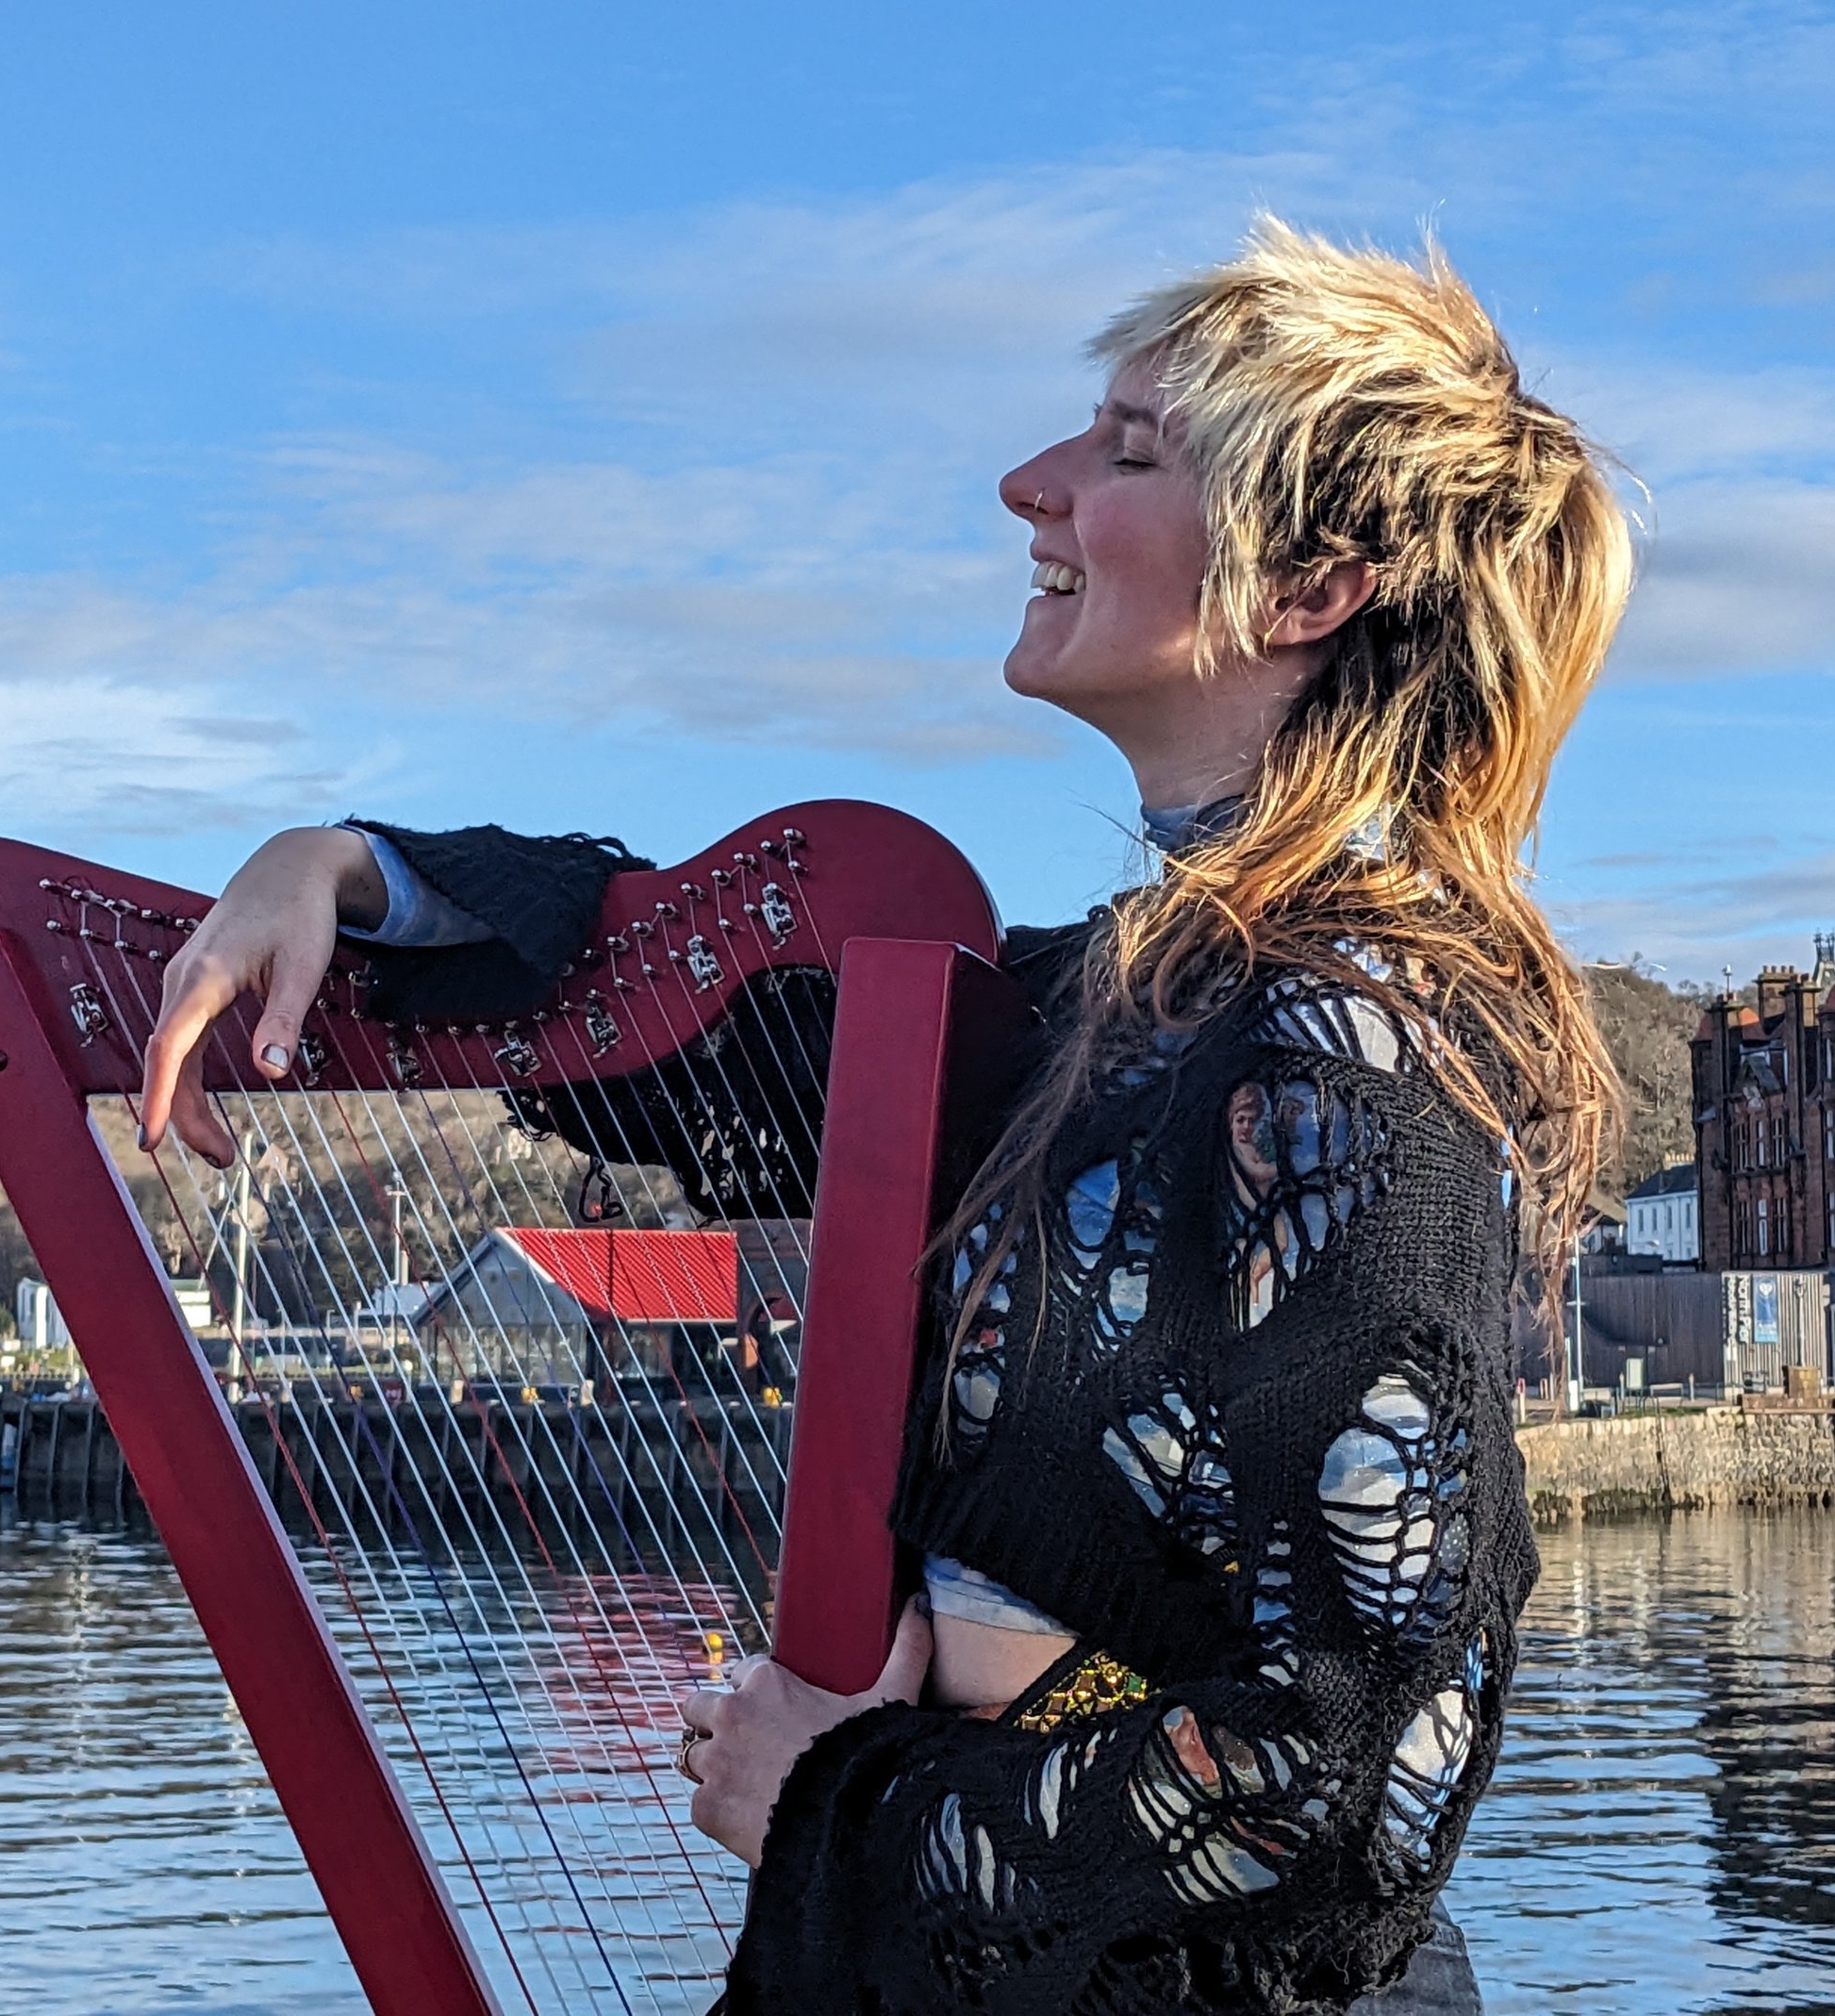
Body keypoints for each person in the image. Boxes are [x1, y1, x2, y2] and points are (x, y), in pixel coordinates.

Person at [137, 220, 1631, 2014]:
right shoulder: (1133, 991)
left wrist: (836, 1799)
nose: (1030, 483)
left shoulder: (1350, 1052)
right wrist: (351, 871)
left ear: (1309, 587)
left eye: (1127, 451)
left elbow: (1341, 1795)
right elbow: (730, 1039)